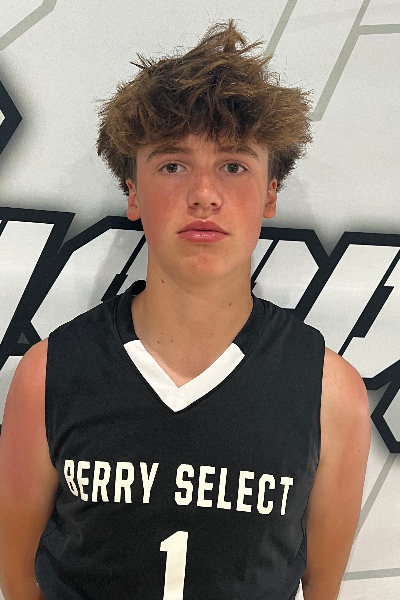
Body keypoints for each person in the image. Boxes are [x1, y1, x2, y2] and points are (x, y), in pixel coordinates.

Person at [0, 19, 370, 600]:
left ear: (271, 192)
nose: (203, 194)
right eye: (172, 165)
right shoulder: (48, 374)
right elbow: (18, 580)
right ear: (132, 191)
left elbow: (322, 590)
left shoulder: (331, 394)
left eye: (233, 165)